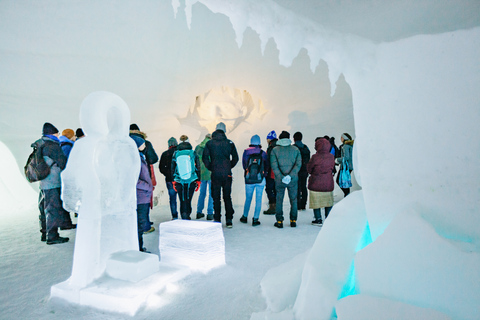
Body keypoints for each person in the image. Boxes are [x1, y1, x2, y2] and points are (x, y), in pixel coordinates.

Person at [36, 122, 73, 244]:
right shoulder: (53, 146)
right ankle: (52, 236)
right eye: (57, 133)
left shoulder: (41, 144)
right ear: (53, 133)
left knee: (44, 208)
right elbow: (63, 163)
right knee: (52, 209)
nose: (58, 135)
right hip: (52, 182)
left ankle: (44, 233)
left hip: (43, 181)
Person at [202, 122, 239, 228]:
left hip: (215, 174)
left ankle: (217, 218)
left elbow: (205, 158)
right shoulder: (230, 143)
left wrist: (211, 167)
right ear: (224, 131)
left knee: (216, 197)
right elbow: (235, 158)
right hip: (227, 174)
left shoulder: (210, 143)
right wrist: (228, 166)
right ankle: (229, 220)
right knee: (227, 197)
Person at [130, 124, 159, 233]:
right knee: (144, 200)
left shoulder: (124, 143)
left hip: (130, 185)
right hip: (143, 176)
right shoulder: (144, 142)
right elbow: (153, 159)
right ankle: (144, 225)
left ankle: (139, 225)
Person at [270, 131, 302, 228]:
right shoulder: (295, 149)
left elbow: (274, 166)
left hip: (280, 180)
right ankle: (293, 220)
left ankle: (279, 221)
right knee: (293, 199)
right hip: (293, 180)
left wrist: (282, 177)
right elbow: (298, 164)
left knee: (279, 199)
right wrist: (290, 176)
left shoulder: (275, 150)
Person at [240, 134, 269, 226]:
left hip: (249, 179)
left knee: (248, 198)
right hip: (260, 179)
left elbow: (244, 165)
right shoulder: (263, 153)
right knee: (258, 199)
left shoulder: (246, 152)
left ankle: (244, 216)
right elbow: (267, 165)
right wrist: (264, 174)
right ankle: (255, 219)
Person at [131, 135, 153, 252]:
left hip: (141, 195)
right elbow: (132, 179)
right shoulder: (134, 159)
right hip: (140, 195)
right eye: (142, 144)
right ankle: (138, 249)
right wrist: (147, 186)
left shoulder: (138, 157)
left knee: (140, 224)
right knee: (139, 224)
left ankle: (139, 247)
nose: (144, 146)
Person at [171, 135, 201, 220]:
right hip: (191, 180)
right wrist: (198, 180)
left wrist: (173, 180)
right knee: (189, 198)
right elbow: (198, 167)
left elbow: (172, 168)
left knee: (182, 199)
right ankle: (188, 214)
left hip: (179, 180)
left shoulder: (176, 153)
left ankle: (183, 215)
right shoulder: (193, 152)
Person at [307, 138, 335, 225]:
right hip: (328, 183)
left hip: (316, 183)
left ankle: (318, 218)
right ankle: (328, 218)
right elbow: (333, 168)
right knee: (328, 201)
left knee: (316, 202)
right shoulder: (331, 156)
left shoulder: (315, 157)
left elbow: (309, 169)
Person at [195, 133, 214, 220]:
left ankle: (199, 212)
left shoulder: (198, 147)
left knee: (202, 193)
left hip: (201, 174)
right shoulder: (213, 147)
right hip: (211, 174)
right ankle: (210, 213)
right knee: (211, 194)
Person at [159, 137, 179, 219]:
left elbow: (161, 168)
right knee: (183, 198)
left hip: (169, 179)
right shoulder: (179, 153)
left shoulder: (165, 154)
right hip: (180, 179)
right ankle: (185, 215)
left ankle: (174, 216)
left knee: (172, 198)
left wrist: (167, 174)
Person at [293, 132, 310, 211]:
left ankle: (297, 204)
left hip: (296, 171)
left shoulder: (293, 148)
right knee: (303, 187)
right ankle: (303, 204)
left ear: (294, 139)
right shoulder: (306, 147)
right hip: (304, 171)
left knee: (296, 187)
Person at [263, 130, 278, 215]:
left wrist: (265, 172)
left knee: (269, 189)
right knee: (276, 190)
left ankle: (272, 207)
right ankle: (277, 206)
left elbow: (267, 161)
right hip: (279, 173)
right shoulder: (279, 146)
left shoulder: (270, 148)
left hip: (271, 173)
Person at [336, 133, 354, 197]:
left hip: (346, 167)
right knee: (345, 182)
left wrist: (337, 160)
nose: (340, 139)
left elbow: (346, 157)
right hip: (350, 166)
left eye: (341, 137)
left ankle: (347, 195)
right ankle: (347, 195)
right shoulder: (351, 145)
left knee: (339, 181)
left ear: (344, 138)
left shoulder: (345, 146)